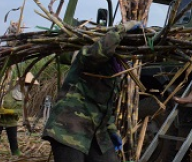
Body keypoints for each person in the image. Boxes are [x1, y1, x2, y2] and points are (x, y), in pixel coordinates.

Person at [43, 20, 141, 162]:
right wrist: (122, 28)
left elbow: (104, 107)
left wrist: (111, 129)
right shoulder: (87, 56)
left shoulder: (114, 74)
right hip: (68, 127)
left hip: (96, 132)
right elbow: (100, 51)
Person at [0, 72, 38, 156]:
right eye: (25, 84)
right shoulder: (4, 91)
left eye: (28, 84)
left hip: (12, 122)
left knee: (13, 140)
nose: (26, 86)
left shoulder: (26, 97)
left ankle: (16, 153)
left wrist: (8, 111)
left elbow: (21, 111)